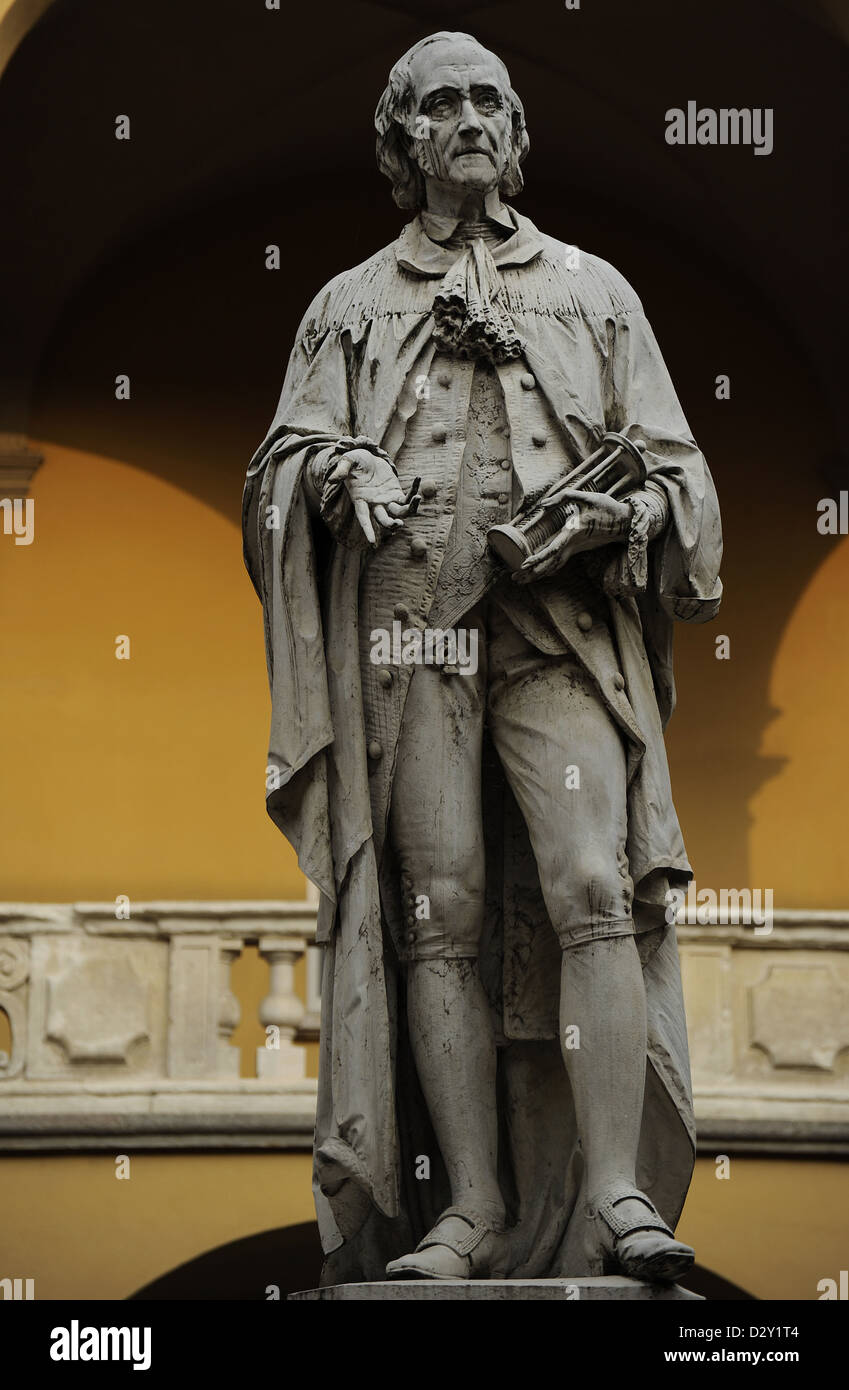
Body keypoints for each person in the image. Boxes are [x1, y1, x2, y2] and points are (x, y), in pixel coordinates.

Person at [243, 30, 722, 1285]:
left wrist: (615, 512)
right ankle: (470, 1207)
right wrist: (335, 469)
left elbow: (681, 478)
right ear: (402, 140)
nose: (468, 118)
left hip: (555, 628)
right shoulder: (347, 306)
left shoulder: (593, 293)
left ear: (515, 134)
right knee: (436, 913)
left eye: (488, 101)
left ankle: (617, 1191)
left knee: (589, 884)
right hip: (410, 639)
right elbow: (278, 471)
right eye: (440, 102)